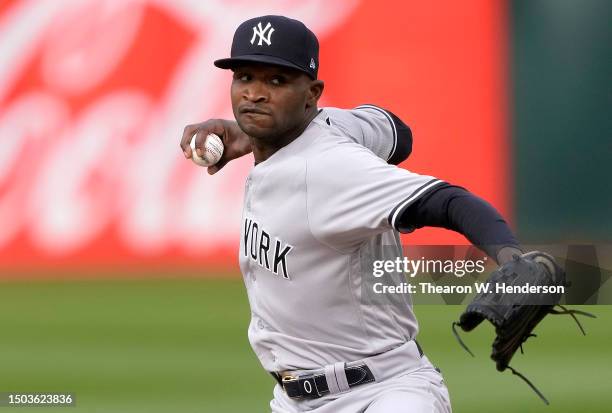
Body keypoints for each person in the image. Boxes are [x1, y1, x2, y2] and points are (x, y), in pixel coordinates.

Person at [180, 15, 522, 413]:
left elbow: (447, 200)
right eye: (245, 77)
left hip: (383, 394)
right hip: (295, 401)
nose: (255, 94)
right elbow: (397, 132)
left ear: (312, 93)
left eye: (277, 81)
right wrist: (253, 132)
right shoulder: (333, 127)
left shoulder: (332, 169)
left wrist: (512, 257)